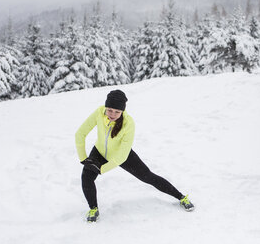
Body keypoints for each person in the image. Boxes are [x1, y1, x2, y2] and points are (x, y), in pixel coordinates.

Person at [75, 89, 194, 222]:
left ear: (122, 111)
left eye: (117, 112)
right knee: (86, 177)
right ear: (105, 107)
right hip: (99, 151)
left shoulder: (128, 123)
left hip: (122, 154)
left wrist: (101, 169)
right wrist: (84, 159)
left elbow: (121, 156)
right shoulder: (99, 112)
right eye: (109, 110)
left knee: (148, 177)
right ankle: (93, 208)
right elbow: (80, 133)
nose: (112, 114)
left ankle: (181, 197)